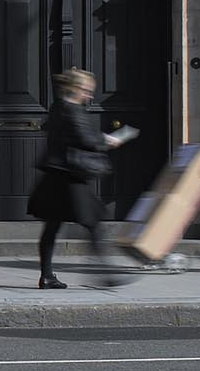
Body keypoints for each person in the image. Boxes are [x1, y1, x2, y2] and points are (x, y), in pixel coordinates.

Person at [30, 67, 134, 287]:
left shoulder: (57, 107)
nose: (89, 96)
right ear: (75, 88)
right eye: (87, 90)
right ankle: (104, 273)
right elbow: (86, 140)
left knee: (52, 225)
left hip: (54, 173)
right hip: (70, 177)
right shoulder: (73, 110)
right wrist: (110, 141)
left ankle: (47, 275)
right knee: (94, 222)